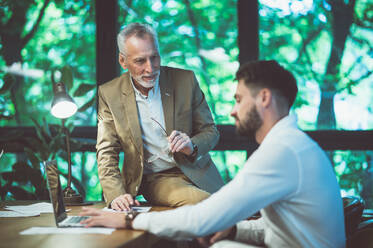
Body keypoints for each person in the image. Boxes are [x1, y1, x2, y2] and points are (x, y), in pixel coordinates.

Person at [81, 60, 346, 247]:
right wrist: (234, 229)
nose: (233, 110)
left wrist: (128, 219)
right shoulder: (293, 145)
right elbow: (284, 227)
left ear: (264, 98)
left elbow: (200, 219)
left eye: (239, 99)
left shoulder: (282, 152)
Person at [96, 22, 224, 210]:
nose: (151, 68)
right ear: (123, 61)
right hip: (156, 179)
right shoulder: (109, 94)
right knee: (210, 206)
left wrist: (192, 145)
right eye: (140, 61)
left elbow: (210, 131)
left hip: (199, 172)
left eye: (154, 57)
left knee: (240, 207)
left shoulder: (185, 80)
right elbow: (106, 152)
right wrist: (115, 195)